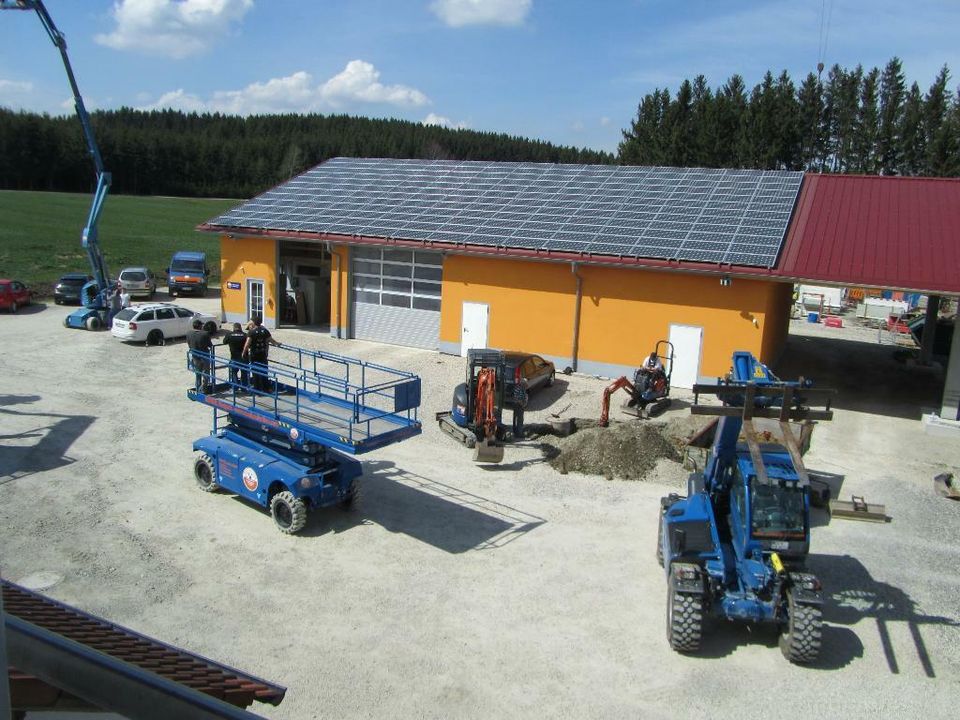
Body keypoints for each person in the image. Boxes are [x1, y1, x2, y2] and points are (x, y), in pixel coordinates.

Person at [242, 314, 279, 393]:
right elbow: (271, 340)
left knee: (255, 372)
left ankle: (257, 389)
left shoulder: (251, 332)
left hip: (254, 355)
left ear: (254, 322)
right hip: (263, 354)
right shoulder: (265, 330)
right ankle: (267, 388)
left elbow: (247, 344)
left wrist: (244, 353)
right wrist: (278, 344)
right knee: (264, 371)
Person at [186, 318, 214, 392]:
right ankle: (203, 389)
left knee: (198, 373)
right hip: (204, 356)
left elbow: (189, 344)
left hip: (195, 356)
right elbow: (210, 345)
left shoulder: (189, 333)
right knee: (206, 374)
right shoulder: (205, 333)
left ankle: (198, 388)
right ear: (200, 326)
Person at [222, 322, 248, 386]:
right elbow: (249, 344)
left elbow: (224, 342)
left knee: (233, 372)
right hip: (244, 358)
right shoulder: (245, 335)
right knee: (244, 373)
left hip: (234, 358)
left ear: (233, 328)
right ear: (240, 328)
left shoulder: (229, 334)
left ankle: (235, 387)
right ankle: (243, 387)